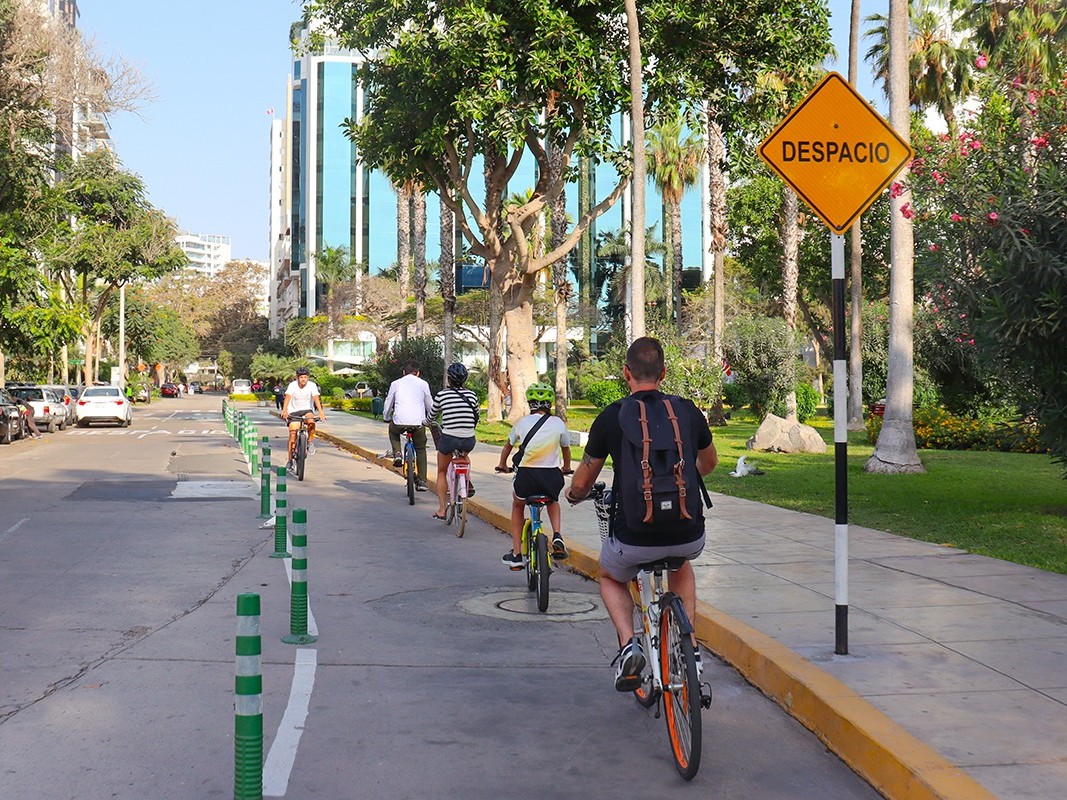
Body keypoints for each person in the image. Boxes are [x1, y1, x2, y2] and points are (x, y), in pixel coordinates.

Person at [565, 336, 718, 691]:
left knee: (610, 576)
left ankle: (628, 644)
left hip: (634, 537)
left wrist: (574, 494)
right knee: (681, 563)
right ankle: (691, 648)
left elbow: (585, 478)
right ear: (663, 372)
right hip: (688, 534)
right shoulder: (688, 411)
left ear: (626, 373)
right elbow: (709, 463)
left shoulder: (612, 416)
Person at [496, 382, 572, 569]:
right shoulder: (558, 423)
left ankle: (516, 554)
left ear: (530, 403)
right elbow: (566, 450)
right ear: (549, 403)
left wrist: (502, 465)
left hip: (527, 477)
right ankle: (557, 535)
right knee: (553, 500)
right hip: (552, 477)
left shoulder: (521, 423)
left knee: (517, 504)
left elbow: (508, 447)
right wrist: (566, 468)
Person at [430, 363, 480, 519]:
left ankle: (442, 510)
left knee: (442, 471)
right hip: (468, 439)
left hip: (449, 439)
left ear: (449, 379)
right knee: (464, 455)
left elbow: (432, 415)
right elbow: (476, 415)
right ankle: (467, 479)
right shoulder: (472, 395)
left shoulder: (442, 395)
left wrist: (426, 422)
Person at [383, 361, 434, 491]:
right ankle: (422, 481)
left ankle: (398, 453)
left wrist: (386, 417)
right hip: (418, 423)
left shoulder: (396, 383)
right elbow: (429, 404)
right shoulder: (423, 384)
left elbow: (389, 402)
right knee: (421, 449)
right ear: (418, 373)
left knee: (393, 431)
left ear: (403, 372)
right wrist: (429, 419)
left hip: (399, 421)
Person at [281, 367, 326, 470]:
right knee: (293, 433)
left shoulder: (312, 385)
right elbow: (287, 398)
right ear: (297, 378)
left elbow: (316, 399)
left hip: (307, 410)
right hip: (294, 411)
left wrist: (321, 412)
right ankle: (290, 460)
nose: (303, 379)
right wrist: (284, 411)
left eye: (305, 377)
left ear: (308, 377)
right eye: (301, 377)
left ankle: (310, 442)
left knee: (311, 422)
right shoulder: (292, 385)